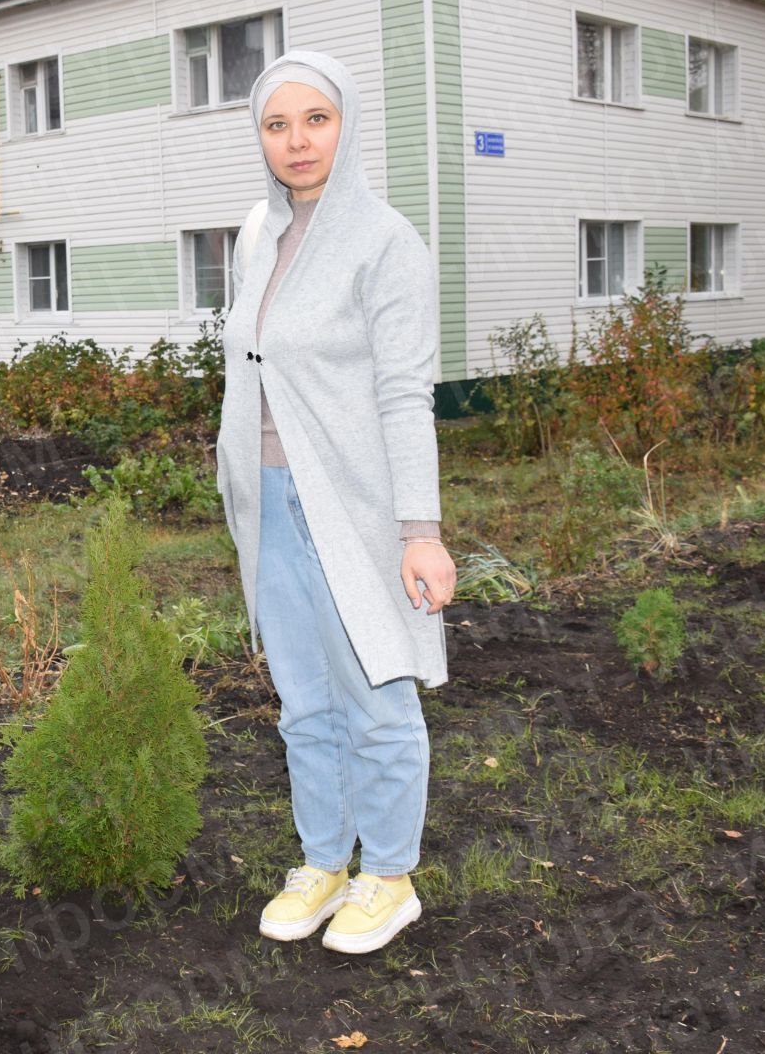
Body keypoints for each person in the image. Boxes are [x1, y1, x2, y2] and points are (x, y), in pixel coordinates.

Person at [214, 49, 457, 956]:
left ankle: (388, 876)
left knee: (377, 687)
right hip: (271, 502)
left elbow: (405, 394)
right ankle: (323, 860)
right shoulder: (255, 233)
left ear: (346, 124)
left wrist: (419, 532)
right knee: (303, 698)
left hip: (355, 505)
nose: (297, 141)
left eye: (315, 119)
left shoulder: (386, 242)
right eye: (277, 125)